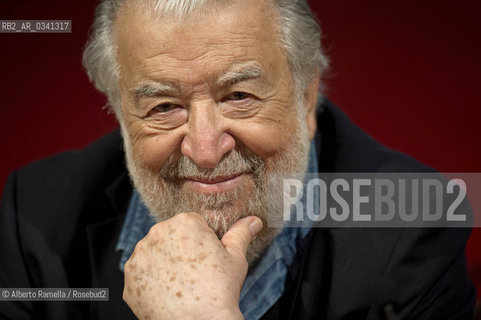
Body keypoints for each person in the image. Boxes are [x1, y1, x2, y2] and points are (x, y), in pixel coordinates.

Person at [0, 0, 476, 319]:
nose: (205, 150)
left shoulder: (420, 215)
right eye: (164, 107)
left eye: (239, 95)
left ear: (306, 99)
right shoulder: (34, 216)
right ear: (122, 116)